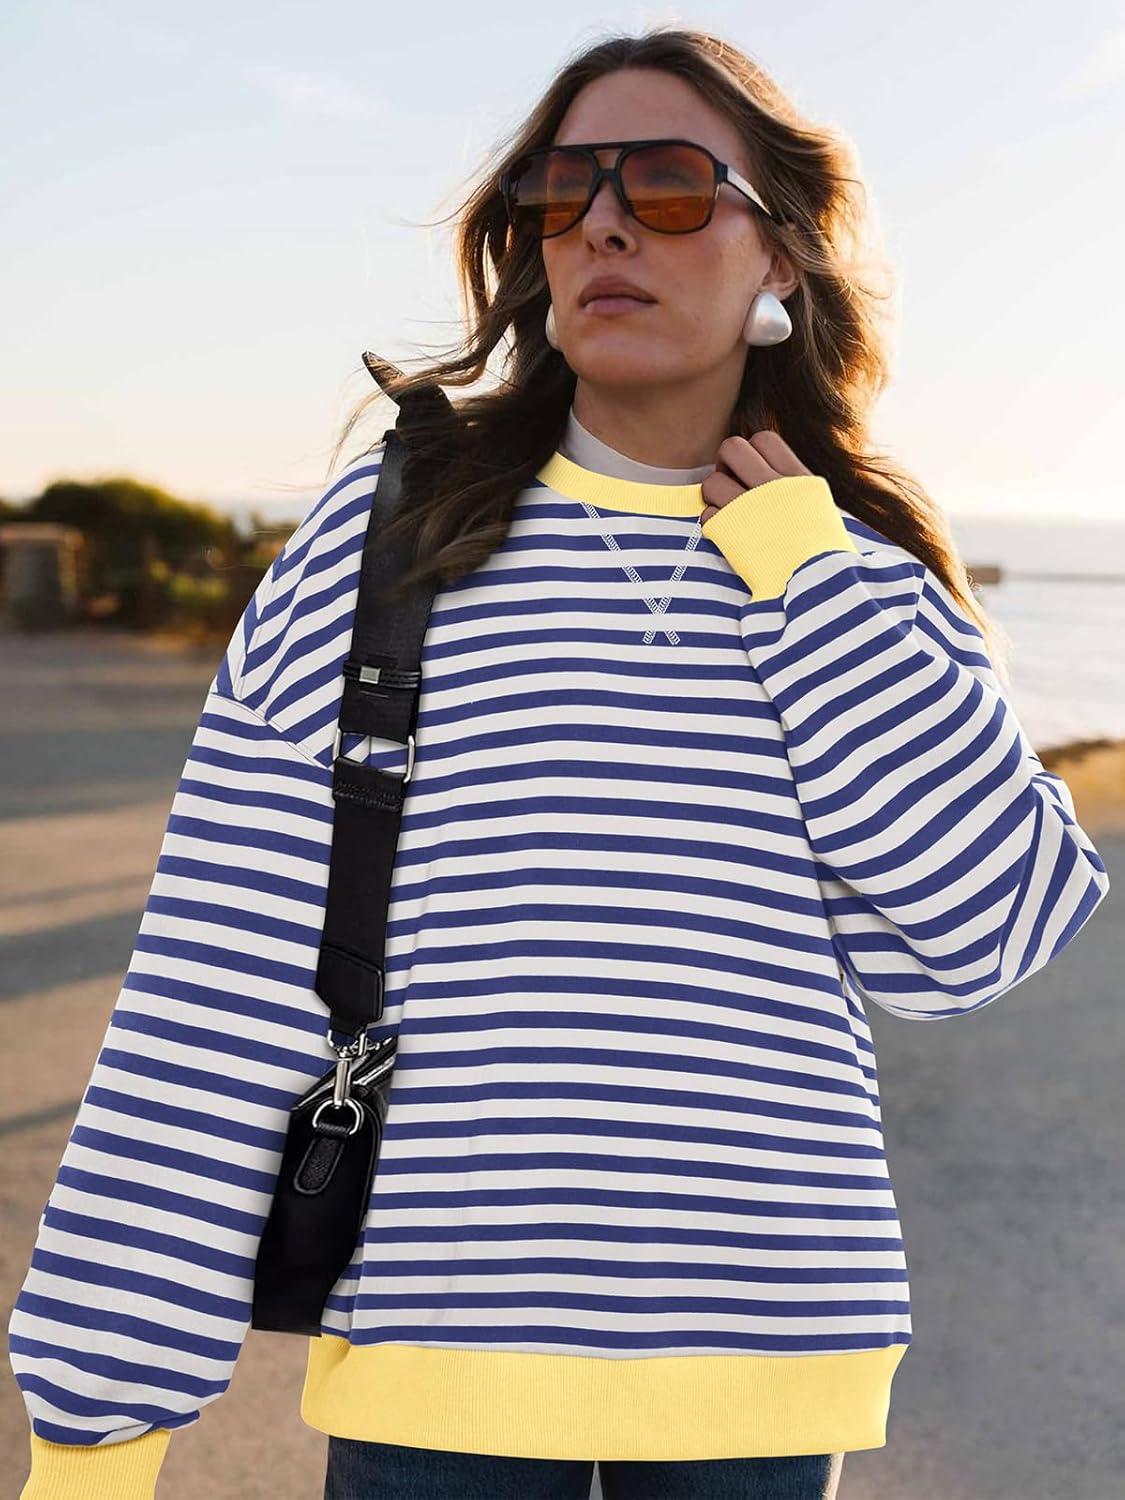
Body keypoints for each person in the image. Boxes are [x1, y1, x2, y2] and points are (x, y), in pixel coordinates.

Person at [8, 26, 1110, 1500]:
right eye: (561, 189)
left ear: (782, 256)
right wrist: (96, 1432)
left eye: (667, 186)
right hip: (436, 1362)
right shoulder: (390, 541)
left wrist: (807, 582)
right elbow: (217, 983)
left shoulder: (856, 578)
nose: (601, 223)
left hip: (763, 1375)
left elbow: (979, 935)